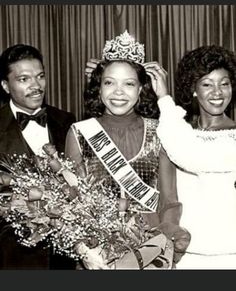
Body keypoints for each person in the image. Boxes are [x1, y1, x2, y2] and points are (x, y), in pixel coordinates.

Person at [65, 31, 191, 269]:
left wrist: (161, 246)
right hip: (97, 250)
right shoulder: (79, 132)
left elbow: (169, 202)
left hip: (151, 247)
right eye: (109, 82)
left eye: (129, 83)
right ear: (99, 88)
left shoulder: (160, 131)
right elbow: (74, 201)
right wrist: (85, 249)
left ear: (142, 89)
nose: (119, 92)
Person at [146, 45, 236, 269]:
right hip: (186, 256)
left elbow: (191, 154)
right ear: (193, 89)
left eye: (224, 84)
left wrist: (164, 98)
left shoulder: (186, 140)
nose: (217, 92)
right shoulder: (180, 134)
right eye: (207, 84)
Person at [0, 43, 76, 270]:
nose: (36, 86)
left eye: (40, 76)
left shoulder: (67, 120)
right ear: (5, 85)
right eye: (24, 79)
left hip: (65, 256)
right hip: (12, 256)